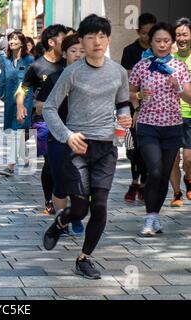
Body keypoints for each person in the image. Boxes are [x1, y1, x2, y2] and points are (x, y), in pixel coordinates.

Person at [42, 14, 132, 279]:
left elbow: (123, 102)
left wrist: (125, 116)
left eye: (102, 36)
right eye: (90, 36)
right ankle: (61, 221)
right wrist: (67, 136)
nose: (97, 41)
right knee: (80, 209)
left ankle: (85, 258)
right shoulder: (71, 72)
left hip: (106, 148)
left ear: (108, 39)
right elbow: (49, 108)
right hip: (78, 147)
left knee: (101, 206)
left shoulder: (118, 72)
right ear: (81, 40)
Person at [129, 22, 191, 236]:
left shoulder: (180, 67)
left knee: (164, 175)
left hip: (173, 126)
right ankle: (148, 218)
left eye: (166, 41)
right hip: (148, 126)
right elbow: (130, 92)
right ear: (151, 42)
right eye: (158, 40)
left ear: (172, 42)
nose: (162, 44)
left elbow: (190, 99)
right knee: (154, 171)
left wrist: (179, 87)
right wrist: (137, 99)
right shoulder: (142, 66)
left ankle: (154, 216)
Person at [36, 34, 86, 234]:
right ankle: (61, 219)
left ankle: (76, 214)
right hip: (58, 136)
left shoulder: (94, 78)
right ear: (64, 53)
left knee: (81, 180)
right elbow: (40, 107)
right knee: (60, 182)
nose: (78, 55)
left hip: (84, 137)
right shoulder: (56, 78)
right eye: (73, 51)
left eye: (82, 51)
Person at [16, 24, 67, 214]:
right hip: (43, 119)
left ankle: (62, 195)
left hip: (67, 118)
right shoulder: (37, 66)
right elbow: (23, 88)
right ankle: (50, 200)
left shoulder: (69, 63)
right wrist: (21, 105)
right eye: (64, 38)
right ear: (51, 42)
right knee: (50, 161)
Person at [121, 13, 157, 202]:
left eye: (151, 33)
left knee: (145, 147)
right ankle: (135, 181)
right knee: (131, 147)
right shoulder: (130, 51)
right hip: (131, 106)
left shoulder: (157, 51)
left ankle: (142, 184)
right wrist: (135, 107)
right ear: (138, 31)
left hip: (153, 108)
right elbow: (129, 83)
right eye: (145, 33)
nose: (148, 37)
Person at [0, 31, 34, 176]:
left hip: (25, 101)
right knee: (13, 131)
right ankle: (25, 157)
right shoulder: (6, 61)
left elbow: (35, 80)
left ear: (22, 43)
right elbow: (1, 82)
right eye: (10, 39)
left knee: (18, 130)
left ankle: (10, 166)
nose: (11, 41)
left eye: (15, 39)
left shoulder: (30, 60)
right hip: (9, 101)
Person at [169, 17, 191, 207]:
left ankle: (189, 181)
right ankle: (176, 194)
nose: (181, 38)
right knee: (173, 158)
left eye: (185, 34)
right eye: (178, 35)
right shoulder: (169, 60)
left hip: (190, 115)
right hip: (172, 115)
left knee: (189, 159)